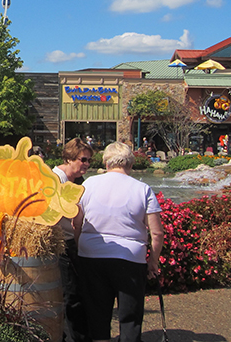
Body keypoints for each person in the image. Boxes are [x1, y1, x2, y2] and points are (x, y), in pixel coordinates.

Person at [73, 142, 164, 342]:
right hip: (130, 258)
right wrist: (153, 261)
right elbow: (156, 233)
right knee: (130, 316)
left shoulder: (87, 185)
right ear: (130, 164)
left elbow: (76, 224)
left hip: (92, 254)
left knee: (97, 314)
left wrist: (81, 247)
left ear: (106, 163)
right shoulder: (143, 189)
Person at [52, 138, 93, 342]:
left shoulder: (77, 181)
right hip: (61, 242)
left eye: (89, 161)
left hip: (73, 240)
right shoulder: (56, 179)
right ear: (69, 158)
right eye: (83, 159)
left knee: (77, 291)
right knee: (71, 293)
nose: (86, 164)